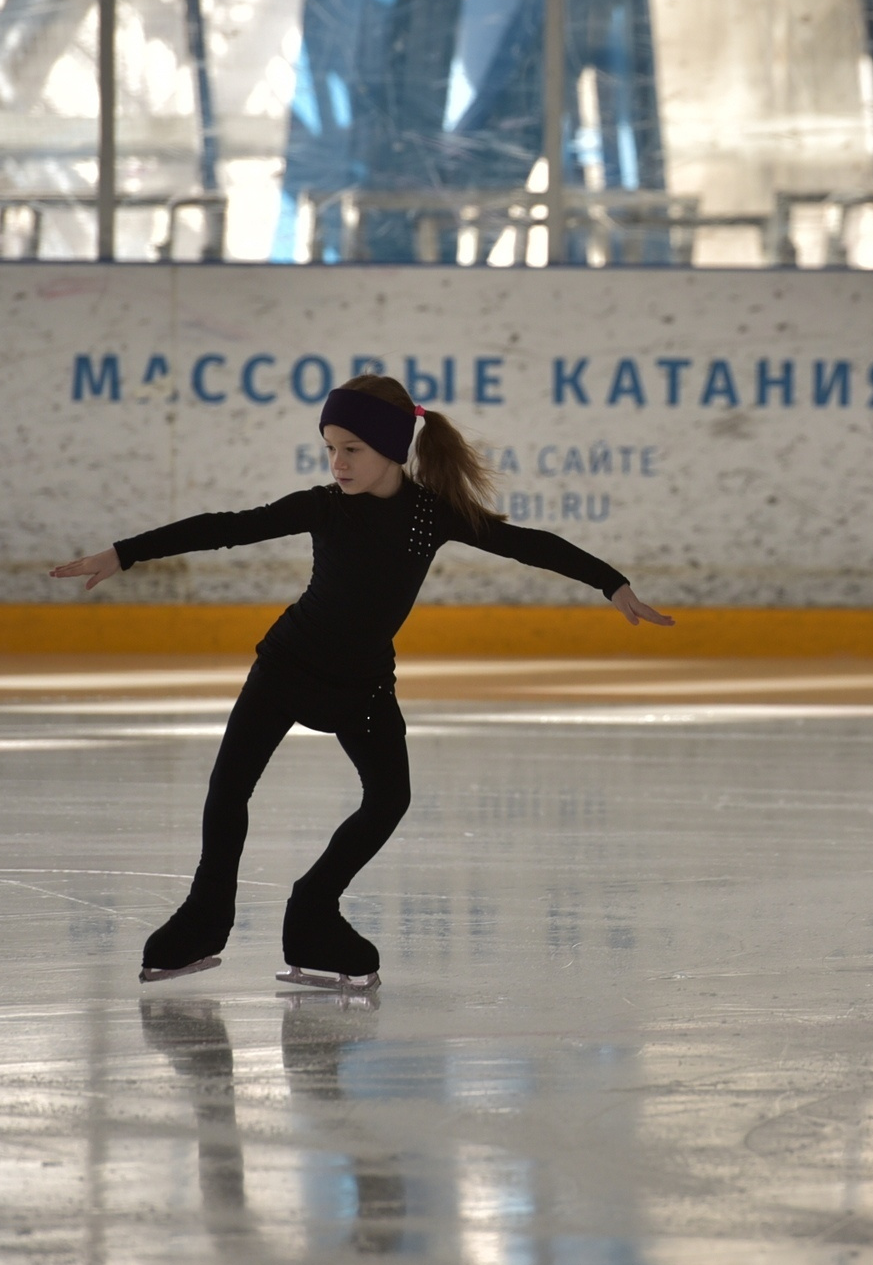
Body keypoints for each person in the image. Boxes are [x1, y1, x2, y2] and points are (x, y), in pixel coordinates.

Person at [54, 374, 673, 988]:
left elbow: (527, 544)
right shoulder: (323, 505)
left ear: (390, 448)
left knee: (389, 798)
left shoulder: (433, 515)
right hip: (288, 667)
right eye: (329, 448)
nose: (337, 462)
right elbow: (225, 526)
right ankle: (202, 920)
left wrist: (611, 582)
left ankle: (313, 912)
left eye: (351, 449)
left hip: (364, 686)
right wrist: (124, 552)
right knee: (229, 789)